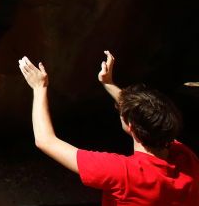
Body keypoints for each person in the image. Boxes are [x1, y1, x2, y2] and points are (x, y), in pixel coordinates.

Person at [19, 52, 199, 205]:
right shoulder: (186, 158)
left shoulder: (124, 173)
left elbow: (45, 141)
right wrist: (108, 83)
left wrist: (39, 87)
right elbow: (146, 116)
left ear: (130, 128)